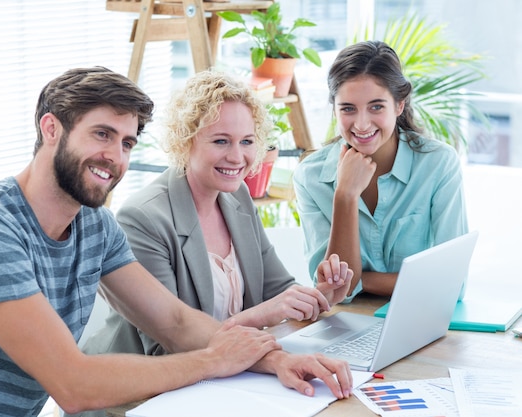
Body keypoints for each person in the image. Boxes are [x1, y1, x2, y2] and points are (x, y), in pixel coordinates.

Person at [0, 67, 353, 417]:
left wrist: (275, 361)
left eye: (128, 143)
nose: (115, 157)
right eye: (101, 134)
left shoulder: (95, 225)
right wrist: (215, 360)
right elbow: (72, 384)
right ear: (50, 129)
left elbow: (173, 321)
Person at [78, 70, 353, 364]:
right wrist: (261, 314)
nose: (237, 157)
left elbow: (277, 290)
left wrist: (317, 296)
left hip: (223, 376)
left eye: (247, 141)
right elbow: (168, 345)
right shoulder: (143, 218)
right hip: (137, 392)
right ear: (186, 141)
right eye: (221, 141)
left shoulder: (237, 197)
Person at [293, 40, 469, 303]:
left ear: (399, 105)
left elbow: (452, 283)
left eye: (376, 107)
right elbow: (331, 289)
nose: (362, 124)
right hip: (344, 323)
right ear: (335, 110)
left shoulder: (438, 164)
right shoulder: (310, 176)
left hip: (420, 319)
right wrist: (345, 195)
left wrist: (360, 281)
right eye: (348, 108)